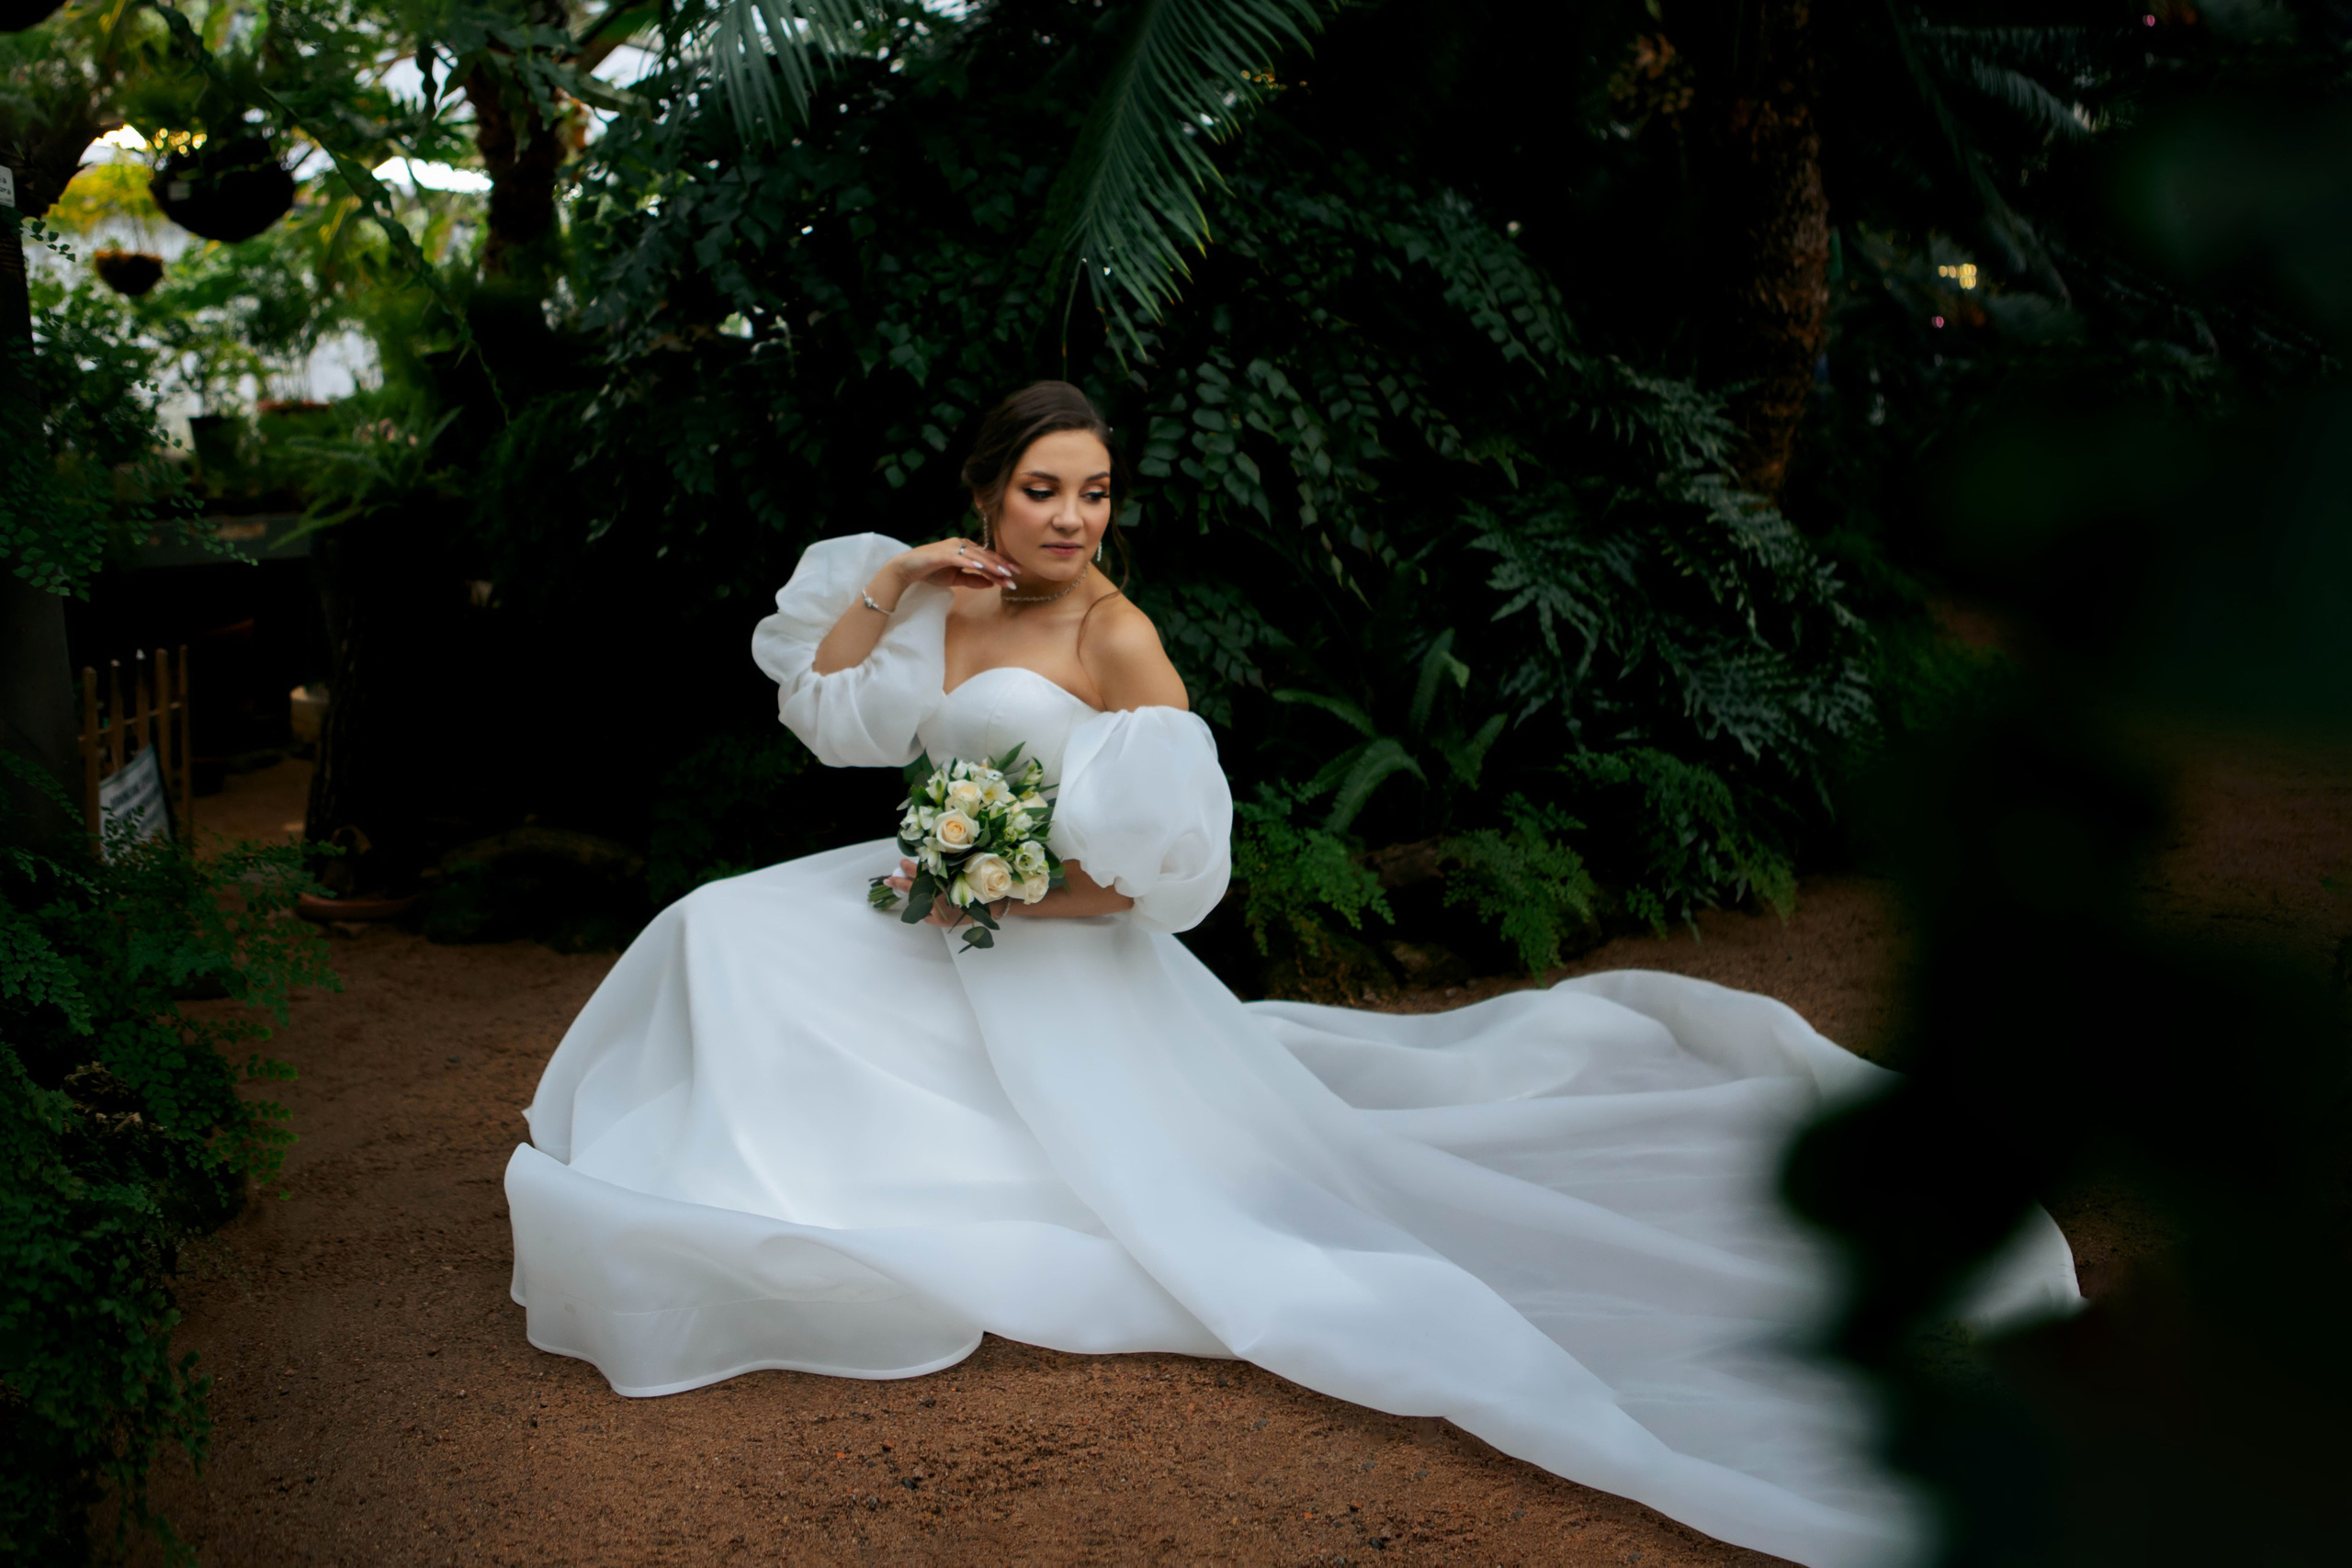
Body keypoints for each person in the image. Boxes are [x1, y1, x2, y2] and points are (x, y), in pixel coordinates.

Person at [505, 381, 2079, 1568]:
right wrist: (899, 583)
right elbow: (831, 718)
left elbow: (1162, 867)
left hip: (1037, 937)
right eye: (1042, 492)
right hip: (930, 896)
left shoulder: (1119, 643)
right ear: (984, 494)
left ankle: (859, 1193)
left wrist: (990, 889)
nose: (1071, 520)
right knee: (722, 924)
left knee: (1132, 1146)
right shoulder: (938, 600)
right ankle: (757, 1181)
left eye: (1095, 493)